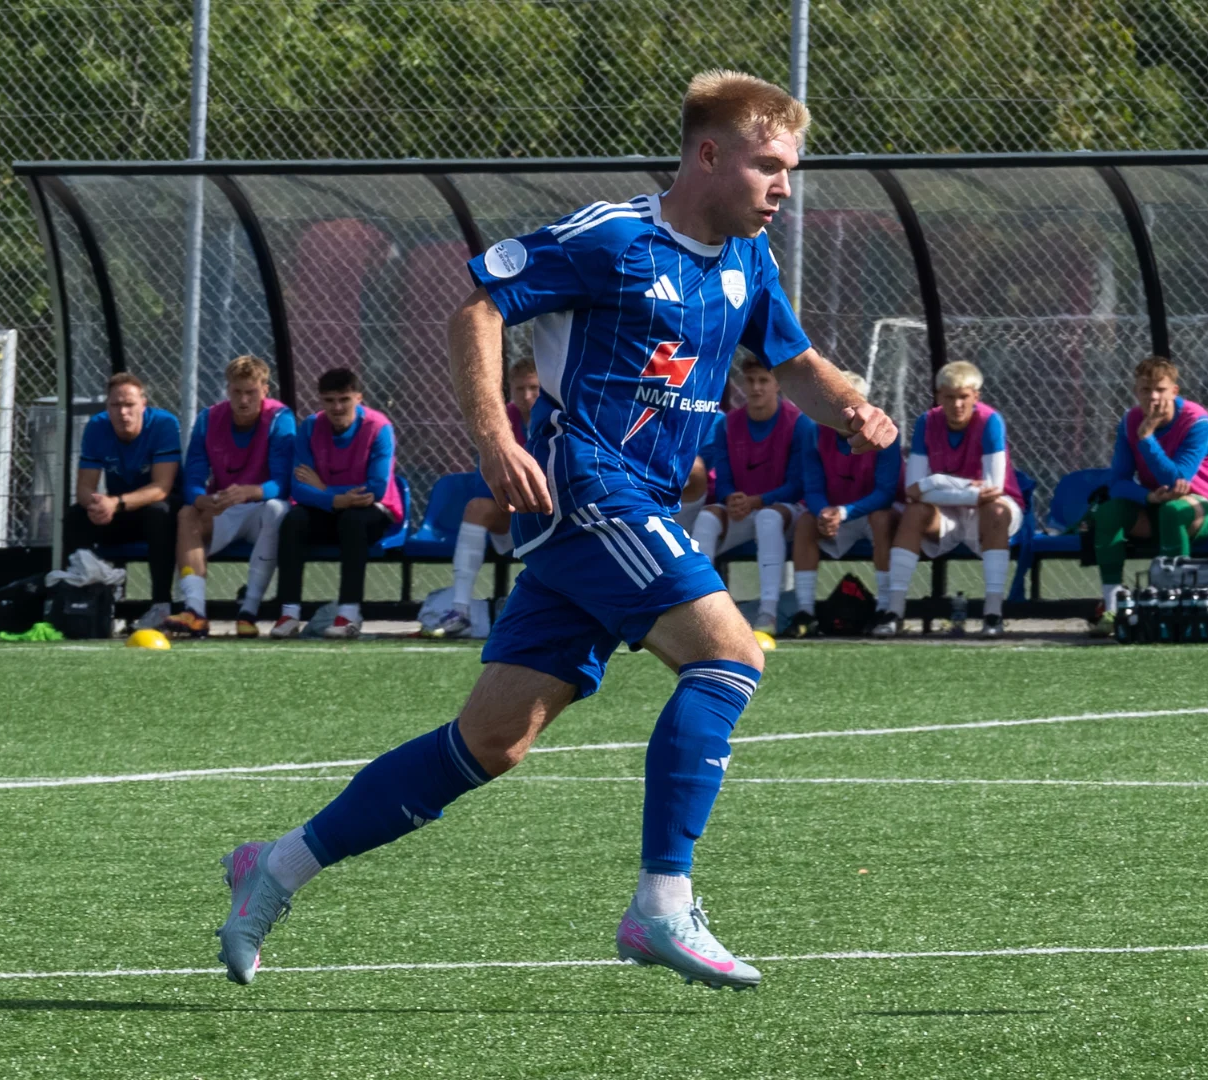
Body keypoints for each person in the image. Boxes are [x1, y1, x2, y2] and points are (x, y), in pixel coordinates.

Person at [214, 70, 897, 992]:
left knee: (489, 743)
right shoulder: (613, 238)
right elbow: (479, 306)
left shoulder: (748, 261)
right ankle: (662, 904)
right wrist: (494, 434)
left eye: (791, 170)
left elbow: (794, 361)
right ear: (708, 154)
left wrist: (848, 408)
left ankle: (277, 866)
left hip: (624, 510)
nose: (784, 187)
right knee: (730, 656)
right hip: (589, 493)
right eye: (770, 166)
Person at [1087, 356, 1208, 636]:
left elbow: (1178, 477)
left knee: (1174, 512)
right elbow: (1118, 482)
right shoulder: (1130, 421)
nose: (1153, 397)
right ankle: (1112, 608)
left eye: (1160, 389)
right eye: (1145, 390)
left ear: (1175, 391)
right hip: (1159, 503)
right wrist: (1149, 498)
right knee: (1108, 512)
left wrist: (1146, 438)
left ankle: (1174, 611)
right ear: (1136, 392)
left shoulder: (1198, 422)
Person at [877, 361, 1024, 638]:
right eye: (949, 397)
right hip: (947, 510)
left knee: (996, 511)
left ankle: (993, 614)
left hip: (990, 510)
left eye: (964, 397)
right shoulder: (926, 422)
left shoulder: (991, 421)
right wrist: (961, 487)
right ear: (939, 396)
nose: (957, 404)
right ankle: (893, 612)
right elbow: (913, 489)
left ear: (976, 397)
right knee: (914, 512)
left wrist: (933, 485)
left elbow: (992, 488)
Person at [159, 356, 296, 639]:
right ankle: (195, 612)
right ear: (227, 389)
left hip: (261, 511)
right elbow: (194, 476)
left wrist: (252, 491)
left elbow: (284, 483)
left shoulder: (281, 419)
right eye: (237, 392)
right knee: (187, 514)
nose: (244, 400)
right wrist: (200, 499)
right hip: (225, 507)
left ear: (265, 391)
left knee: (276, 509)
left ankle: (248, 612)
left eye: (251, 392)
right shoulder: (208, 419)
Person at [689, 350, 815, 637]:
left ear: (777, 383)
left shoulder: (799, 423)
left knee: (768, 518)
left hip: (787, 512)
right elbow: (722, 480)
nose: (756, 387)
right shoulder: (727, 424)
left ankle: (767, 614)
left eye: (763, 380)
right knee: (708, 517)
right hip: (744, 510)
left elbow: (798, 484)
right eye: (750, 380)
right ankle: (699, 614)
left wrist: (759, 500)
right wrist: (730, 497)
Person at [271, 368, 403, 640]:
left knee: (353, 521)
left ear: (359, 398)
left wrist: (324, 490)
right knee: (294, 521)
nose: (337, 407)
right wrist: (336, 498)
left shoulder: (379, 428)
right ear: (320, 400)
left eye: (344, 399)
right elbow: (298, 486)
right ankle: (289, 613)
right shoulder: (309, 427)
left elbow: (376, 488)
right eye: (329, 400)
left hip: (373, 513)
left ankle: (349, 613)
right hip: (331, 508)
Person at [788, 371, 902, 637]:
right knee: (806, 521)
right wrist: (824, 512)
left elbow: (885, 493)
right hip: (834, 515)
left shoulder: (884, 432)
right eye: (835, 403)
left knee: (882, 519)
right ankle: (806, 614)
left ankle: (885, 611)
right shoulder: (814, 433)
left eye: (850, 404)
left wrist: (844, 512)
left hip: (868, 514)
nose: (843, 412)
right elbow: (812, 487)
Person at [64, 372, 182, 629]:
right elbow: (84, 488)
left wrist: (115, 503)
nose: (123, 412)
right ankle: (79, 603)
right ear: (107, 407)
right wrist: (95, 504)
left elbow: (162, 488)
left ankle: (161, 606)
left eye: (129, 405)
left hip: (157, 514)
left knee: (159, 511)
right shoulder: (97, 426)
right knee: (75, 516)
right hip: (117, 511)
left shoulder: (164, 424)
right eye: (115, 405)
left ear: (143, 404)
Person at [432, 358, 541, 638]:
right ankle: (460, 610)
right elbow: (487, 478)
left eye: (534, 388)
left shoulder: (561, 416)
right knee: (477, 507)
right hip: (515, 512)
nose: (527, 396)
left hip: (554, 511)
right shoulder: (500, 419)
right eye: (520, 389)